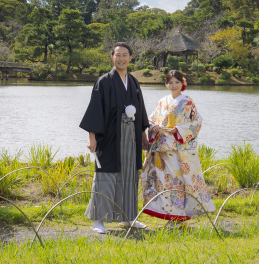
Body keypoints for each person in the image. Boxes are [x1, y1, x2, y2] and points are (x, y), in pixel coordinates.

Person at [80, 42, 149, 234]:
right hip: (110, 137)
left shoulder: (134, 82)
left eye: (124, 55)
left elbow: (141, 110)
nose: (121, 58)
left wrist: (143, 136)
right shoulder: (104, 81)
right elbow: (95, 110)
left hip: (131, 138)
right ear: (112, 57)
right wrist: (92, 137)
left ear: (130, 58)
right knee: (105, 177)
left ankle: (128, 218)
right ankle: (98, 220)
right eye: (117, 55)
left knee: (129, 177)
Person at [140, 69, 215, 222]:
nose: (173, 86)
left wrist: (179, 130)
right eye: (170, 82)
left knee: (177, 181)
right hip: (161, 147)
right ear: (166, 84)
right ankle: (168, 214)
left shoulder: (187, 101)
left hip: (178, 149)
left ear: (183, 84)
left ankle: (179, 215)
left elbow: (196, 122)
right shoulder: (162, 101)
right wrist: (153, 127)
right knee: (163, 182)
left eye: (177, 82)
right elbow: (152, 118)